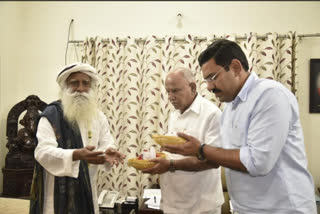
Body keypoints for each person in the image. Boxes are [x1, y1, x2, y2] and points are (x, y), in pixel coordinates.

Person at [162, 39, 317, 214]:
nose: (209, 87)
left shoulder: (269, 95)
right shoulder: (230, 108)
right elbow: (224, 156)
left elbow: (258, 162)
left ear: (235, 67)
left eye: (212, 78)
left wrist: (200, 150)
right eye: (206, 80)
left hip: (283, 209)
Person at [29, 62, 126, 214]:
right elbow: (42, 152)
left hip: (87, 188)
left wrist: (107, 153)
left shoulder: (98, 117)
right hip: (55, 194)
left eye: (85, 83)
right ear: (65, 87)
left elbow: (106, 143)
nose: (80, 89)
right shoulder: (51, 115)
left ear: (91, 87)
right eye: (74, 83)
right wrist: (76, 155)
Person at [143, 67, 224, 214]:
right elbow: (177, 152)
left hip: (201, 206)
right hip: (173, 203)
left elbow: (213, 161)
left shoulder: (212, 114)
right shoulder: (174, 115)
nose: (170, 96)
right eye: (168, 91)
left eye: (175, 90)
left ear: (192, 87)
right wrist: (157, 157)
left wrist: (170, 165)